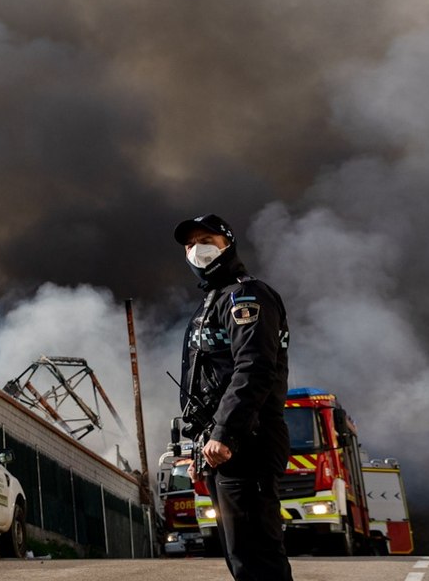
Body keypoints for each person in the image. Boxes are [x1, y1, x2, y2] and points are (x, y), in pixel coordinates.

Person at [175, 214, 292, 581]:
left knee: (257, 557)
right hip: (224, 446)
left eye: (206, 240)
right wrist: (199, 445)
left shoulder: (246, 296)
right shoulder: (214, 300)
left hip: (248, 441)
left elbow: (254, 368)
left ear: (228, 244)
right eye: (190, 244)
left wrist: (225, 433)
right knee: (241, 557)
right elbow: (207, 380)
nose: (197, 250)